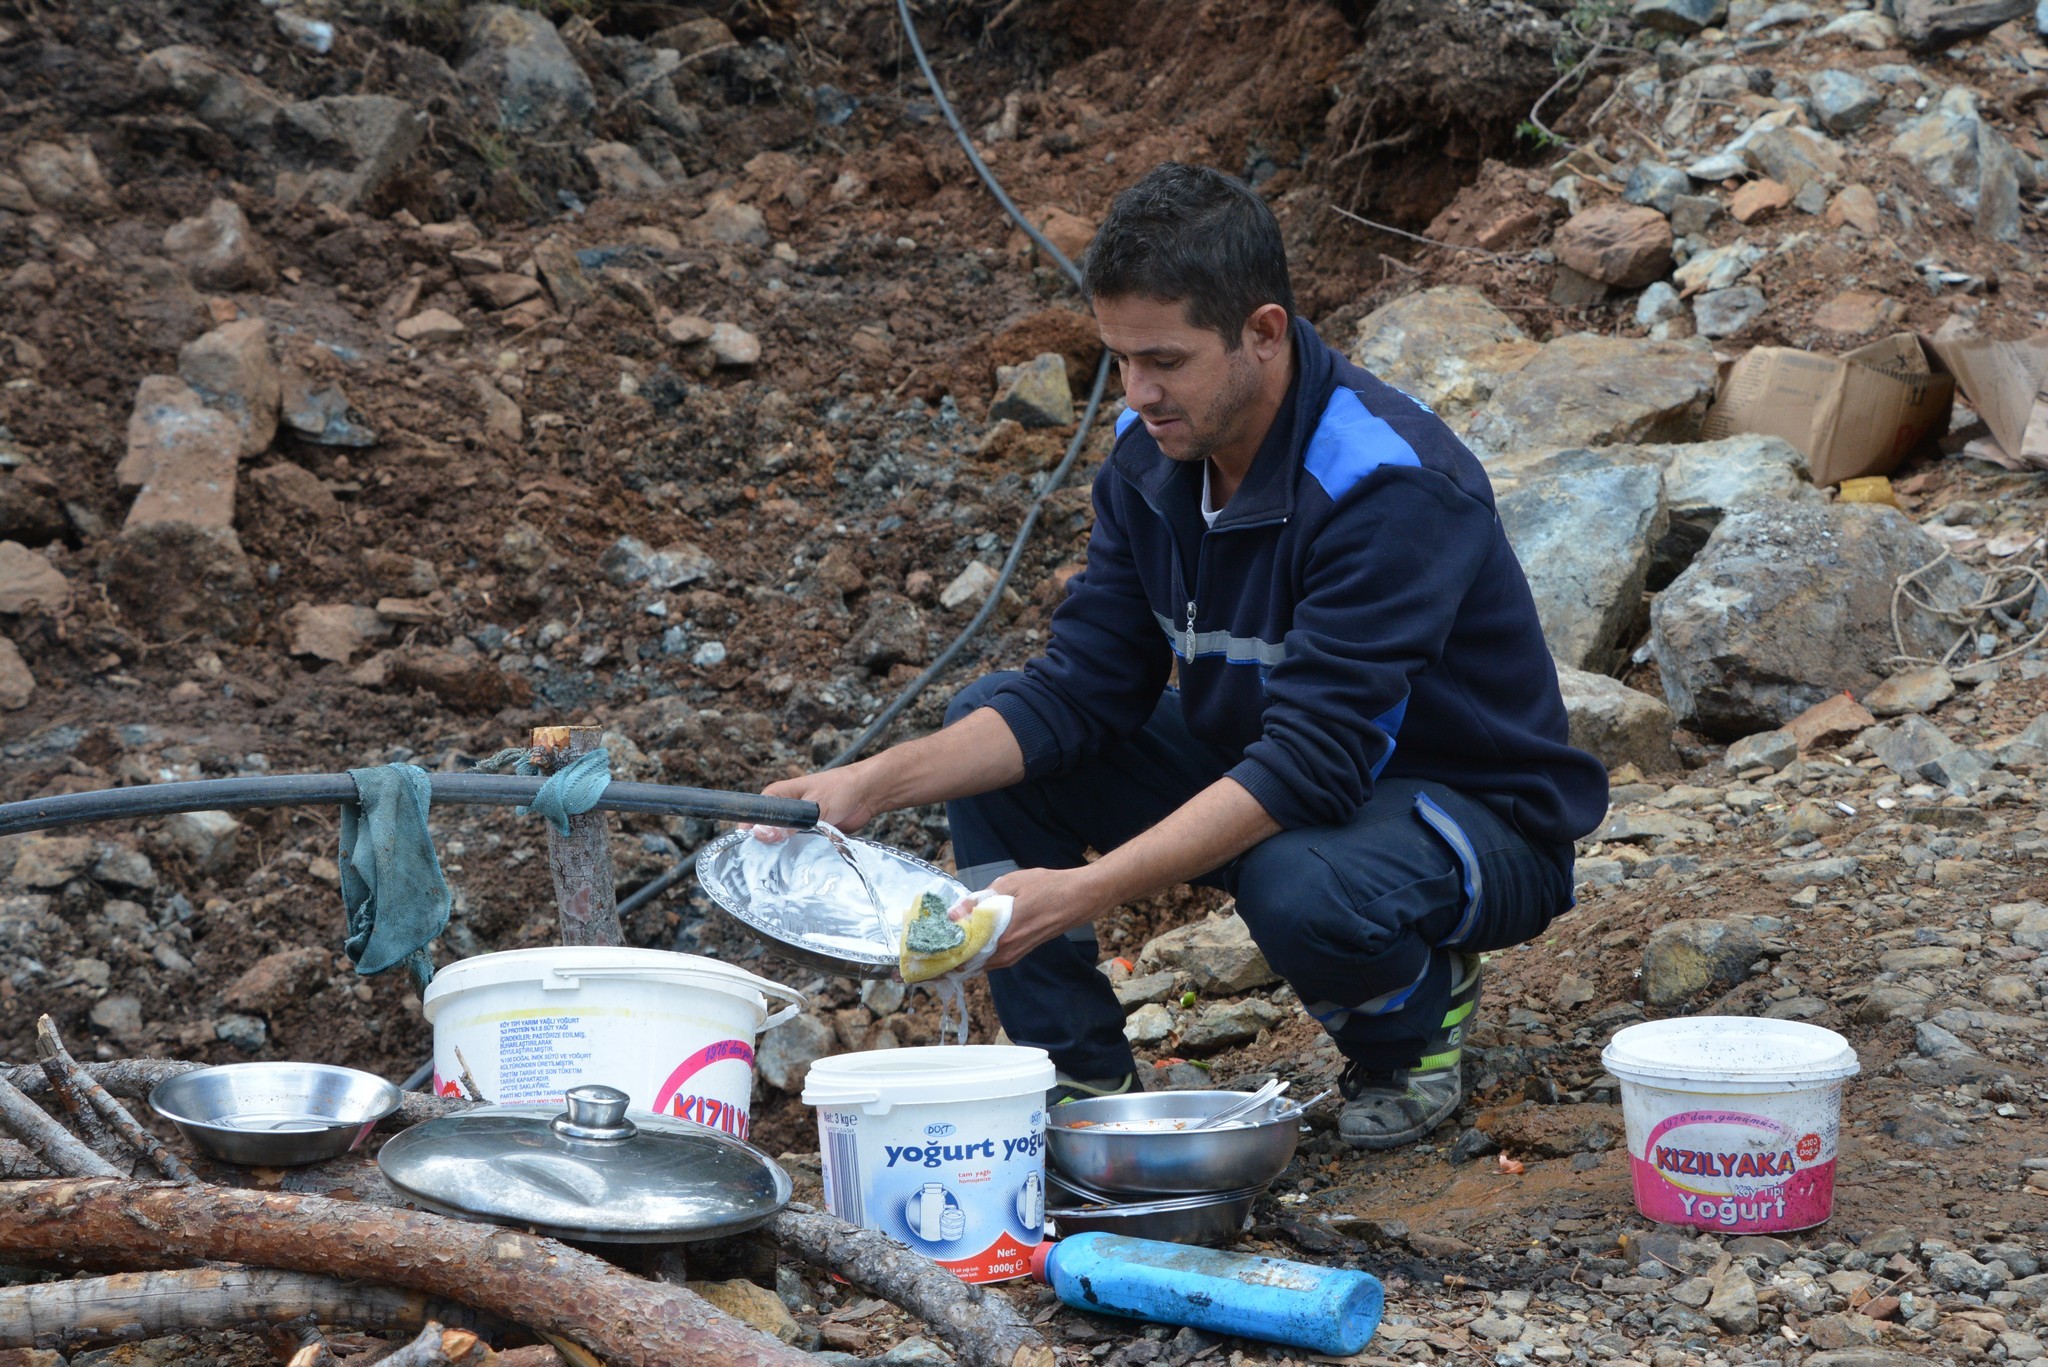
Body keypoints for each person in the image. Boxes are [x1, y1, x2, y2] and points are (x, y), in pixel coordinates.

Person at [761, 161, 1608, 1150]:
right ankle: (1080, 1083)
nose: (1137, 392)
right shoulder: (1150, 457)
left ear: (1262, 332)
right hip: (1275, 763)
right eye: (1119, 358)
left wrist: (1082, 889)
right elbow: (1082, 690)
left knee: (1298, 881)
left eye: (1164, 359)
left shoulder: (1386, 485)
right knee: (992, 729)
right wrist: (866, 783)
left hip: (1467, 817)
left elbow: (1313, 760)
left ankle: (1407, 1023)